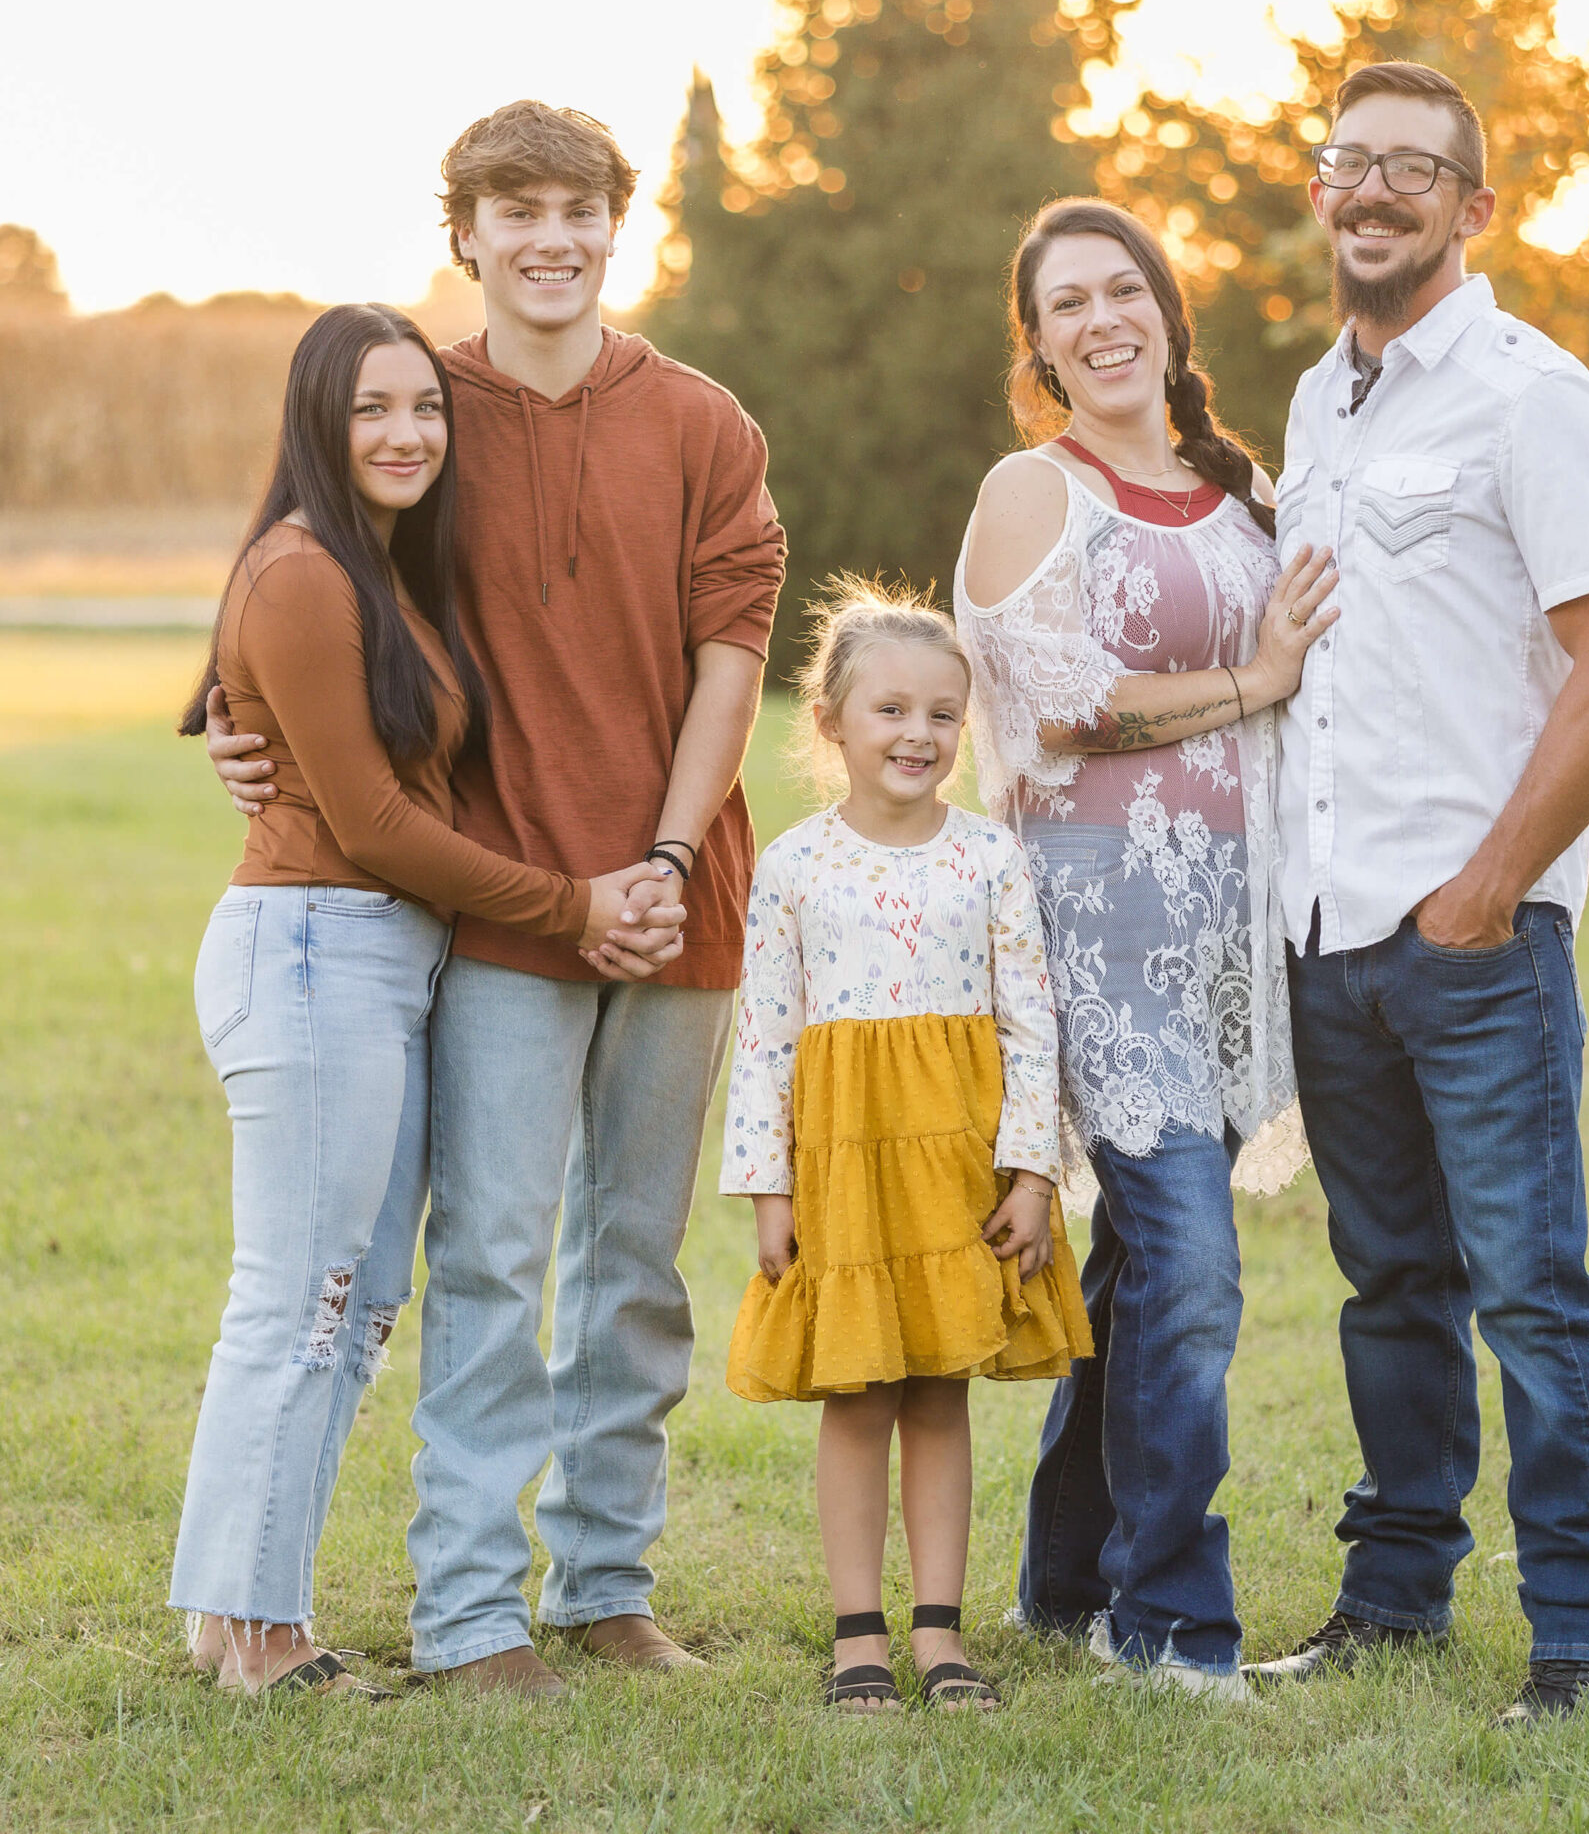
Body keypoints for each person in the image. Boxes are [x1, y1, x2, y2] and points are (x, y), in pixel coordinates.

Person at [208, 102, 785, 1696]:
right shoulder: (420, 412)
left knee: (639, 1268)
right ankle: (471, 1611)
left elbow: (732, 658)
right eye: (513, 211)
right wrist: (238, 726)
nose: (549, 238)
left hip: (679, 907)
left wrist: (665, 863)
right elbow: (298, 562)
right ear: (464, 234)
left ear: (619, 225)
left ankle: (608, 1582)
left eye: (577, 209)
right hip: (500, 915)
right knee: (490, 1258)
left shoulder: (704, 423)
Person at [170, 303, 684, 1697]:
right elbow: (379, 825)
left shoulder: (373, 569)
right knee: (306, 1298)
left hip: (371, 958)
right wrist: (572, 902)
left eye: (426, 410)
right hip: (316, 952)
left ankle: (229, 1611)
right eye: (372, 412)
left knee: (344, 1301)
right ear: (319, 428)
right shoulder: (304, 576)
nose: (407, 435)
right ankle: (261, 1637)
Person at [1248, 61, 1589, 1725]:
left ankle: (1585, 1637)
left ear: (1474, 209)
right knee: (1391, 1288)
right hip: (1330, 934)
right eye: (1348, 163)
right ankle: (1395, 1597)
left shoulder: (1530, 393)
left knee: (1533, 1290)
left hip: (1474, 941)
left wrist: (1491, 887)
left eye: (1413, 170)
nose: (1372, 191)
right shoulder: (1313, 403)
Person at [955, 199, 1339, 1699]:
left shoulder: (1239, 488)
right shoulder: (1032, 489)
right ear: (1041, 346)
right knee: (1188, 1264)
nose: (1103, 320)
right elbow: (1060, 702)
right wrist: (1253, 678)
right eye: (1068, 305)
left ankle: (1064, 1583)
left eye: (1126, 290)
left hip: (1234, 932)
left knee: (1135, 1268)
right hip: (1097, 928)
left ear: (1171, 317)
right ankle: (1171, 1623)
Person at [720, 580, 1093, 1715]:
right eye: (889, 709)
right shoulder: (792, 864)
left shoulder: (988, 857)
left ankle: (940, 1630)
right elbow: (765, 1033)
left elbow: (1033, 1022)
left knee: (938, 1389)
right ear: (830, 720)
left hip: (956, 1164)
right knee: (859, 1390)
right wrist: (767, 1189)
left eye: (941, 713)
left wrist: (1031, 1172)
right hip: (843, 1161)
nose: (917, 734)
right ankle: (858, 1633)